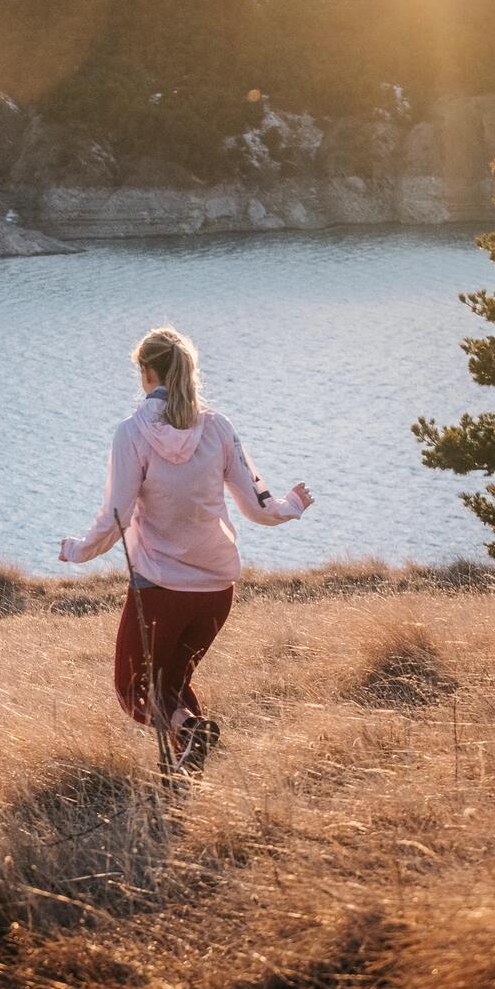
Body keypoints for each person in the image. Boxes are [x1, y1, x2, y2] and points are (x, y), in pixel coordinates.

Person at [58, 327, 313, 775]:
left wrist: (77, 551)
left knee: (134, 690)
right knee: (172, 687)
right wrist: (291, 506)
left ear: (146, 371)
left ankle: (190, 738)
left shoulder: (132, 433)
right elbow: (258, 506)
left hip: (160, 589)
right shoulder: (218, 427)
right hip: (217, 591)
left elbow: (115, 518)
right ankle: (182, 783)